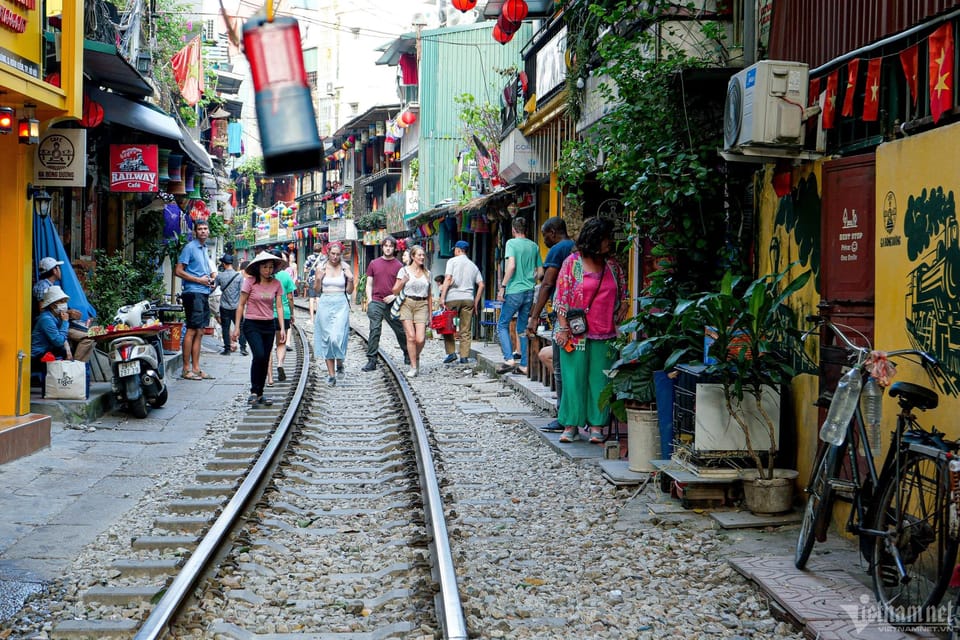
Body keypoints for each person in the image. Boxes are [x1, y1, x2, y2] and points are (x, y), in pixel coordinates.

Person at [553, 217, 628, 444]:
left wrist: (622, 309)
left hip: (605, 334)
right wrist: (564, 328)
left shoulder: (613, 266)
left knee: (600, 381)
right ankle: (570, 424)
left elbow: (623, 295)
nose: (609, 243)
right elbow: (561, 299)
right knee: (573, 379)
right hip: (576, 334)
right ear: (594, 239)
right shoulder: (572, 263)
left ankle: (597, 425)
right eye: (605, 238)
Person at [525, 217, 575, 432]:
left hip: (562, 317)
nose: (544, 239)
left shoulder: (557, 250)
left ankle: (563, 416)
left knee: (560, 368)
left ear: (553, 232)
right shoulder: (574, 247)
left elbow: (547, 283)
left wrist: (534, 316)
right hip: (579, 317)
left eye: (545, 234)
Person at [232, 251, 287, 406]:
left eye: (270, 267)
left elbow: (279, 306)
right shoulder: (250, 282)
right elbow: (241, 304)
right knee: (259, 356)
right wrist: (236, 327)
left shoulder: (276, 283)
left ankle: (260, 393)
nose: (268, 270)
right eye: (264, 267)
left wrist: (282, 328)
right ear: (258, 267)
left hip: (269, 325)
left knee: (264, 359)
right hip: (252, 324)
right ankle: (254, 391)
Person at [496, 216, 542, 375]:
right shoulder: (534, 246)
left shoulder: (511, 243)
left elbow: (511, 266)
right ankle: (524, 365)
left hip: (514, 290)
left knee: (502, 324)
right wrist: (529, 279)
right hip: (529, 291)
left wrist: (502, 286)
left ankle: (509, 359)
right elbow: (540, 272)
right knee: (522, 328)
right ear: (526, 229)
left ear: (513, 230)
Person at [33, 256, 95, 362]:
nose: (60, 271)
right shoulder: (43, 287)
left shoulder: (52, 286)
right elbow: (43, 311)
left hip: (57, 324)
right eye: (58, 268)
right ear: (54, 270)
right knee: (86, 338)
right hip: (52, 329)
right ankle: (75, 367)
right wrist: (65, 320)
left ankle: (76, 367)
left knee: (90, 335)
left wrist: (68, 314)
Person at [175, 220, 215, 380]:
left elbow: (202, 273)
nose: (203, 231)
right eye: (200, 229)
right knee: (192, 329)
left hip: (203, 292)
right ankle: (186, 369)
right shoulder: (190, 248)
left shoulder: (204, 249)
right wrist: (199, 281)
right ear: (195, 232)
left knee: (200, 330)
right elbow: (178, 271)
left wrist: (209, 282)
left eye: (205, 228)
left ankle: (196, 368)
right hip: (193, 293)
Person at [362, 236, 409, 372]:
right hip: (376, 301)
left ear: (394, 248)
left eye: (391, 246)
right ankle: (372, 360)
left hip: (392, 303)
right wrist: (370, 300)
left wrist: (394, 296)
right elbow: (369, 283)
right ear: (382, 247)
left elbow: (402, 286)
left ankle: (407, 352)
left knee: (400, 329)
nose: (388, 248)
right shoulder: (374, 263)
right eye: (386, 246)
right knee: (375, 329)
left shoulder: (399, 266)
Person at [313, 241, 354, 386]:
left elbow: (349, 291)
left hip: (341, 304)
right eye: (332, 254)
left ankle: (340, 362)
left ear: (341, 254)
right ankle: (331, 375)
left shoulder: (345, 267)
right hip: (325, 303)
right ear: (328, 253)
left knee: (337, 337)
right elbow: (317, 289)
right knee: (327, 339)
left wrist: (350, 279)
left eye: (338, 254)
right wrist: (318, 278)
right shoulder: (321, 267)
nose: (335, 257)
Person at [439, 240, 484, 365]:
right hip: (468, 299)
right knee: (466, 329)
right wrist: (475, 302)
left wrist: (442, 297)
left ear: (458, 250)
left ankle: (451, 353)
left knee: (447, 326)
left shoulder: (452, 261)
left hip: (452, 298)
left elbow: (448, 278)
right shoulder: (473, 265)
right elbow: (481, 284)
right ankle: (464, 357)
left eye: (455, 250)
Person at [393, 244, 432, 377]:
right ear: (413, 256)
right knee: (411, 336)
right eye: (419, 255)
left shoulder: (428, 273)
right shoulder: (404, 271)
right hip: (407, 303)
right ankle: (413, 366)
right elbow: (395, 291)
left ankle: (415, 356)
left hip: (422, 304)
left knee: (420, 339)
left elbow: (430, 295)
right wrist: (402, 281)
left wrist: (431, 315)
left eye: (423, 255)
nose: (422, 257)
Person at [31, 286, 76, 368]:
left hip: (48, 350)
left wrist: (68, 351)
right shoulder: (46, 319)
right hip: (38, 355)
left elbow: (62, 336)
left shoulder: (56, 316)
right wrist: (65, 322)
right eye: (62, 301)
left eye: (65, 301)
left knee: (71, 350)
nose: (64, 304)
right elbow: (58, 341)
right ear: (52, 306)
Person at [271, 249, 297, 383]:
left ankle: (269, 375)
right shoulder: (286, 276)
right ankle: (280, 363)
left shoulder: (266, 275)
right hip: (284, 313)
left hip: (268, 313)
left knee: (269, 344)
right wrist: (292, 313)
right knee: (281, 341)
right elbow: (290, 297)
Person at [214, 254, 243, 355]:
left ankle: (227, 349)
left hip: (224, 306)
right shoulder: (239, 276)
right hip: (237, 307)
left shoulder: (220, 276)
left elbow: (212, 287)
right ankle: (243, 348)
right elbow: (242, 292)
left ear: (223, 263)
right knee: (241, 327)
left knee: (225, 328)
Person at [303, 242, 325, 323]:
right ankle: (319, 319)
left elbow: (305, 269)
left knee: (312, 299)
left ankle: (312, 319)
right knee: (319, 298)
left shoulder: (310, 258)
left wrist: (311, 270)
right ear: (321, 249)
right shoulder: (324, 258)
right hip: (321, 279)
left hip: (312, 280)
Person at [237, 260, 251, 356]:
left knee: (242, 327)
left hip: (236, 305)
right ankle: (243, 347)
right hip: (242, 306)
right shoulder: (247, 280)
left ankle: (242, 346)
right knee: (242, 326)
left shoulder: (239, 277)